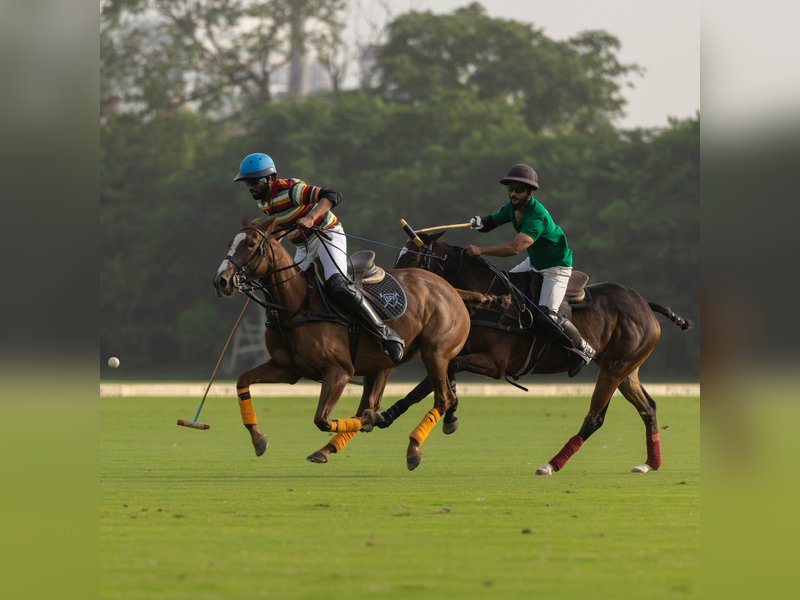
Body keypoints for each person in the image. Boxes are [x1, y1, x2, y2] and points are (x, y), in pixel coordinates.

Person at [233, 152, 404, 362]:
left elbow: (331, 195)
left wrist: (311, 217)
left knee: (338, 285)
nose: (251, 188)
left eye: (255, 182)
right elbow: (284, 225)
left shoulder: (291, 189)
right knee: (286, 289)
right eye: (247, 183)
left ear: (269, 179)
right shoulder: (264, 202)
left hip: (326, 235)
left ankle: (387, 335)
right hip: (302, 246)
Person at [465, 163, 595, 377]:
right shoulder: (513, 208)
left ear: (530, 192)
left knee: (547, 316)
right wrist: (479, 222)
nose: (513, 193)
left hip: (556, 267)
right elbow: (492, 221)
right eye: (511, 188)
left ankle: (583, 350)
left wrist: (481, 250)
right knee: (503, 286)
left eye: (519, 189)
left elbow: (515, 248)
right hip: (535, 262)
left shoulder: (537, 216)